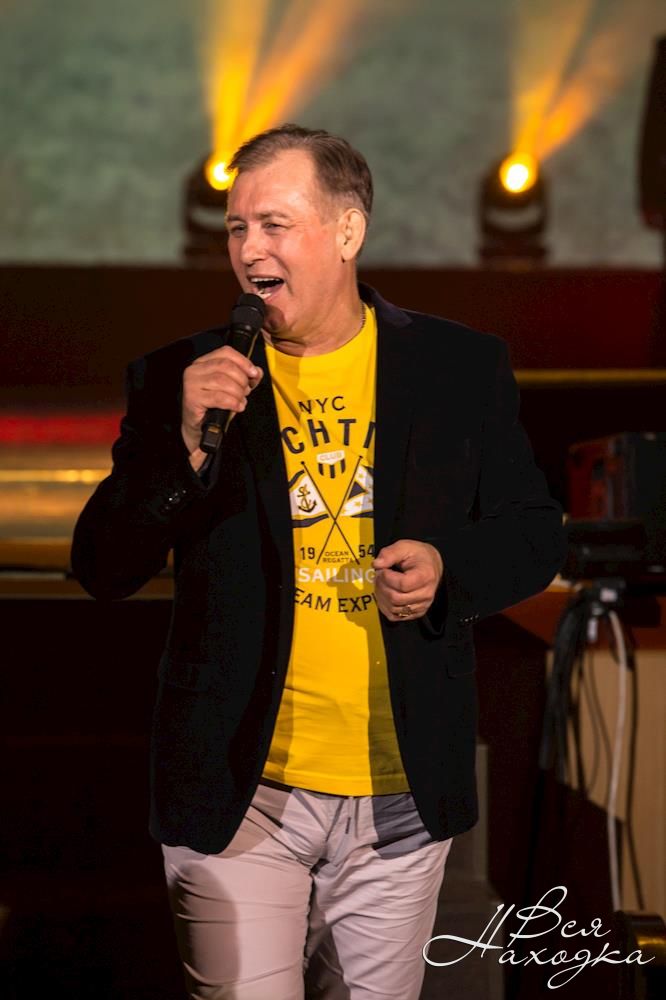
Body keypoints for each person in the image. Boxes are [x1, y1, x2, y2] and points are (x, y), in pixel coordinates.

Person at [71, 124, 567, 1000]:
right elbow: (103, 564)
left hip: (398, 795)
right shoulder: (181, 379)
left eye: (275, 225)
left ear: (347, 231)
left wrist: (447, 567)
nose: (249, 250)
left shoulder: (455, 367)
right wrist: (186, 444)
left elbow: (532, 532)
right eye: (237, 228)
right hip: (238, 791)